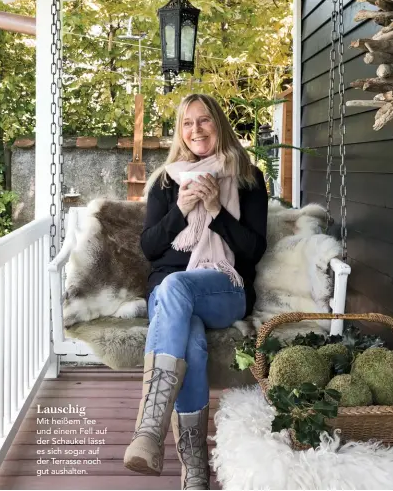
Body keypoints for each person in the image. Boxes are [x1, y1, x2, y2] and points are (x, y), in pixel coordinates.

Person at [124, 93, 268, 489]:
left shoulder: (248, 179)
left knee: (176, 286)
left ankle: (149, 432)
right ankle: (195, 471)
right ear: (179, 132)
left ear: (218, 124)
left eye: (203, 121)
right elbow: (150, 247)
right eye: (187, 124)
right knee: (191, 340)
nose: (196, 130)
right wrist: (181, 211)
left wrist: (218, 211)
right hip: (170, 294)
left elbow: (253, 251)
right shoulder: (166, 181)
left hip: (224, 287)